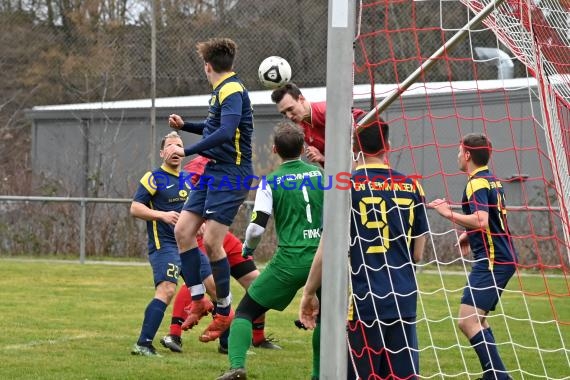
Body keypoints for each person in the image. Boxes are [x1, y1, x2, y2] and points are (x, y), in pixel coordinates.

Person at [299, 120, 429, 379]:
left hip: (364, 297)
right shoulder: (412, 186)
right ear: (388, 147)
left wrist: (309, 292)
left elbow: (326, 249)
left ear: (355, 148)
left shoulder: (345, 187)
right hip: (403, 295)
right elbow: (417, 253)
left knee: (362, 373)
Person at [217, 122, 324, 380]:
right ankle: (319, 374)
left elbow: (256, 229)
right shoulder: (322, 175)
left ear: (275, 149)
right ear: (303, 148)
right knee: (326, 318)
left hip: (290, 260)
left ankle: (237, 367)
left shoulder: (271, 181)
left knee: (246, 311)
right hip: (324, 258)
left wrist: (247, 249)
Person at [164, 37, 254, 342]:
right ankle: (200, 298)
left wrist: (186, 151)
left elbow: (226, 133)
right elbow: (216, 127)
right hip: (215, 171)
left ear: (206, 66)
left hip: (232, 174)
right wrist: (186, 125)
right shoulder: (222, 91)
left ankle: (224, 310)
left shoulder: (231, 90)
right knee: (183, 232)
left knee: (214, 242)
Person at [160, 157, 280, 354]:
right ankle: (176, 334)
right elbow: (184, 196)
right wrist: (197, 219)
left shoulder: (235, 161)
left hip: (222, 234)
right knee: (205, 284)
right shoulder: (197, 166)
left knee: (257, 284)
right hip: (202, 235)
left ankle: (258, 338)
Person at [429, 133, 517, 380]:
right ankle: (494, 375)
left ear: (467, 155)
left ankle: (498, 377)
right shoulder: (492, 180)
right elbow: (491, 220)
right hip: (498, 256)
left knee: (467, 321)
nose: (457, 156)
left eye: (459, 152)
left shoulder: (476, 182)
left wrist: (448, 213)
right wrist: (470, 235)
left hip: (493, 261)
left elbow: (482, 219)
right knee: (478, 319)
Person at [130, 131, 189, 357]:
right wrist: (162, 215)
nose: (175, 150)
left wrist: (201, 222)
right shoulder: (153, 177)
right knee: (166, 289)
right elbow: (135, 208)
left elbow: (194, 210)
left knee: (214, 286)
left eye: (179, 146)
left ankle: (227, 343)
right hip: (164, 245)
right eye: (171, 146)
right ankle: (143, 344)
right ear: (163, 153)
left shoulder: (187, 179)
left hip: (189, 245)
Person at [270, 82, 365, 166]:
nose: (289, 116)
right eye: (284, 113)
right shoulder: (301, 126)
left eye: (290, 109)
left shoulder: (327, 112)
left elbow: (349, 154)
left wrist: (323, 158)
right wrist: (322, 158)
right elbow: (331, 163)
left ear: (301, 99)